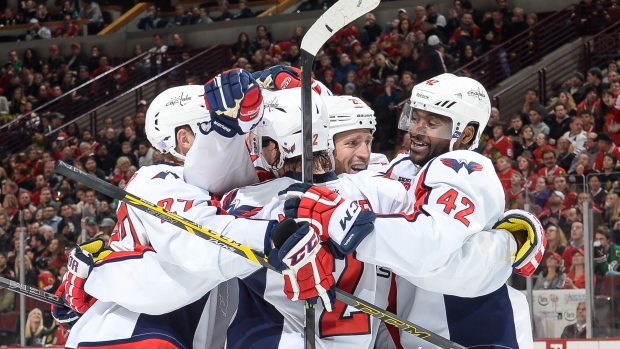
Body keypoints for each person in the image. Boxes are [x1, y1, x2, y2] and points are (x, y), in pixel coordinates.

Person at [280, 73, 542, 348]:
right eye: (415, 118)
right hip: (421, 334)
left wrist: (341, 221)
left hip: (476, 335)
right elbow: (357, 182)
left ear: (465, 133)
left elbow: (427, 247)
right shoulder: (404, 167)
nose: (416, 130)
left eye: (432, 123)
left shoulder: (465, 168)